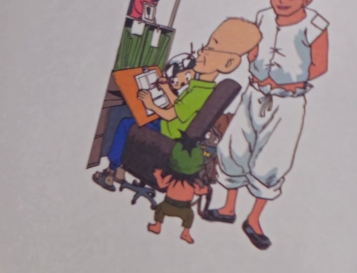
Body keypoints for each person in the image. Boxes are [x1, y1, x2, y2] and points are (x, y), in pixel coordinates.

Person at [205, 0, 329, 250]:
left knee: (272, 159)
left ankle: (254, 219)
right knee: (234, 146)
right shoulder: (262, 17)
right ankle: (228, 207)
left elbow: (319, 64)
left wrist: (287, 81)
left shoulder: (314, 25)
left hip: (286, 102)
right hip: (254, 93)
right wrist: (250, 58)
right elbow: (253, 46)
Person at [92, 18, 260, 191]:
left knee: (125, 122)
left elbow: (171, 114)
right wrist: (166, 90)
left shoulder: (199, 92)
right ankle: (120, 169)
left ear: (228, 63)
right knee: (135, 112)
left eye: (209, 49)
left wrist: (151, 103)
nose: (200, 52)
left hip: (168, 131)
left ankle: (111, 171)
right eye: (205, 47)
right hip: (173, 127)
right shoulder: (202, 87)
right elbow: (180, 107)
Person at [147, 138, 211, 245]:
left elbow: (162, 185)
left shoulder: (171, 177)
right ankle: (185, 232)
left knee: (160, 209)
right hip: (183, 209)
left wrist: (158, 176)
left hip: (168, 206)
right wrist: (204, 191)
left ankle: (157, 225)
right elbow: (198, 191)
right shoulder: (192, 182)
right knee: (189, 216)